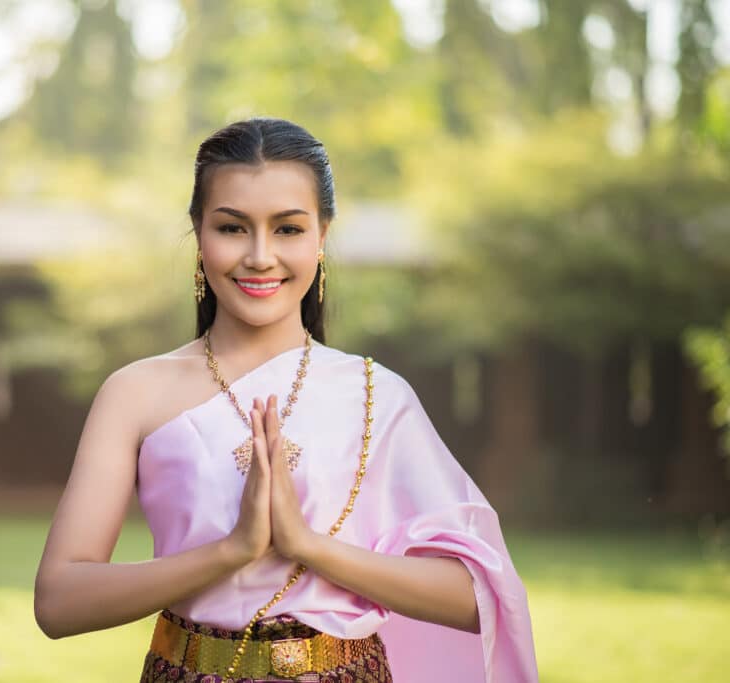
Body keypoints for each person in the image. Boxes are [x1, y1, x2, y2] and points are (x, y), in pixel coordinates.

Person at [33, 117, 539, 682]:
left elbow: (476, 598)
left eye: (288, 229)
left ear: (322, 235)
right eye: (232, 228)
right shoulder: (134, 393)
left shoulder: (376, 395)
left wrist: (306, 545)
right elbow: (59, 601)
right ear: (198, 232)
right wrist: (232, 550)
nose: (259, 256)